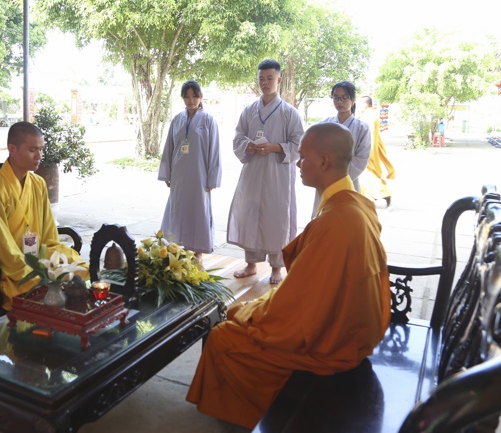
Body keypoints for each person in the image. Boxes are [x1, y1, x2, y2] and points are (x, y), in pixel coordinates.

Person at [186, 122, 391, 429]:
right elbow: (310, 288)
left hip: (335, 346)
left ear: (324, 161)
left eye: (304, 157)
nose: (298, 163)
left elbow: (296, 309)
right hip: (354, 328)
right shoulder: (355, 204)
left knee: (224, 336)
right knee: (245, 313)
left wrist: (248, 312)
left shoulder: (336, 220)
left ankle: (246, 419)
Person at [0, 121, 88, 310]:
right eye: (32, 150)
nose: (39, 156)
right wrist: (41, 275)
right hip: (10, 271)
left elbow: (49, 238)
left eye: (41, 149)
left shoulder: (38, 184)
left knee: (81, 269)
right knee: (46, 287)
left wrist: (58, 264)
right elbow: (3, 250)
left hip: (40, 260)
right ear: (12, 149)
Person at [227, 59, 304, 284]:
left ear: (279, 80)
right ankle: (251, 264)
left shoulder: (289, 113)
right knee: (249, 215)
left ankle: (277, 268)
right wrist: (247, 146)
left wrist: (275, 147)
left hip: (277, 175)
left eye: (270, 78)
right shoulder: (249, 111)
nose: (265, 83)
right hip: (253, 172)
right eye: (261, 78)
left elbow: (299, 144)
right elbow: (238, 138)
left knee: (277, 219)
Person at [158, 80, 222, 261]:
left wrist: (212, 178)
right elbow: (169, 147)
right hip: (179, 174)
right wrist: (167, 173)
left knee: (198, 210)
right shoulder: (177, 120)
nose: (191, 100)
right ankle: (178, 246)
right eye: (187, 96)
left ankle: (198, 251)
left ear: (201, 97)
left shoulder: (208, 121)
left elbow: (214, 150)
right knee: (178, 210)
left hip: (200, 175)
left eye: (194, 96)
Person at [312, 81, 371, 216]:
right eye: (336, 97)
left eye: (344, 97)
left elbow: (362, 159)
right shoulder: (324, 125)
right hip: (325, 182)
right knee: (322, 218)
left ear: (353, 100)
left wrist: (338, 177)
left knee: (346, 218)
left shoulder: (362, 128)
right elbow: (315, 150)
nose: (339, 101)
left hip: (348, 182)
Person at [358, 96, 395, 207]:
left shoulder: (368, 116)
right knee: (366, 175)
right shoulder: (370, 114)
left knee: (366, 175)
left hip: (368, 149)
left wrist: (367, 151)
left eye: (360, 104)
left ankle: (383, 194)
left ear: (365, 104)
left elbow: (370, 135)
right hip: (370, 148)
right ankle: (374, 195)